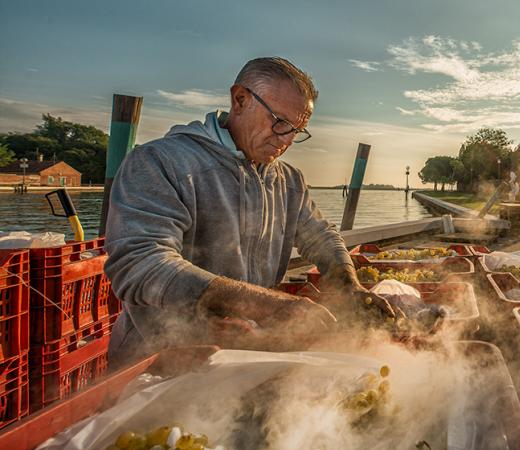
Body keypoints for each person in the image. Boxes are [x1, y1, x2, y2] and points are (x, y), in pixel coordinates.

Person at [104, 57, 393, 365]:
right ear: (240, 99)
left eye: (297, 130)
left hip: (245, 355)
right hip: (158, 360)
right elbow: (143, 263)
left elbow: (322, 236)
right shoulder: (161, 163)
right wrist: (270, 307)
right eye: (280, 122)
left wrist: (350, 287)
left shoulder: (288, 180)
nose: (286, 140)